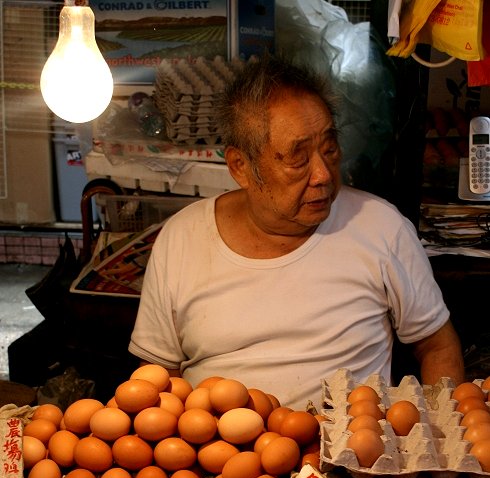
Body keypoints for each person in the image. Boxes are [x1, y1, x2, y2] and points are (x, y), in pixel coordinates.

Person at [129, 54, 465, 410]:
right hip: (222, 458)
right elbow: (156, 377)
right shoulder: (183, 238)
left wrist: (443, 434)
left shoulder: (381, 227)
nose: (322, 174)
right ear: (241, 167)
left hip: (347, 457)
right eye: (298, 158)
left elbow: (437, 346)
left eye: (329, 148)